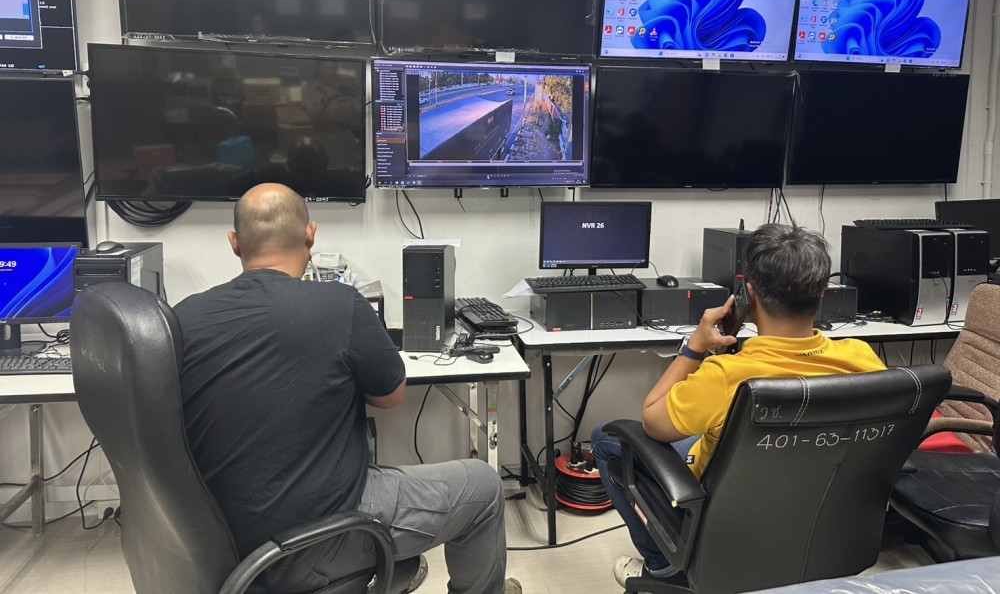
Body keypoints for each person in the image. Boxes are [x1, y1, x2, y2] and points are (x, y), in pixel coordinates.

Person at [174, 183, 520, 594]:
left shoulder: (183, 317)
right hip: (316, 539)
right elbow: (392, 397)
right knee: (483, 486)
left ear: (234, 243)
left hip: (223, 549)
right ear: (311, 235)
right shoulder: (340, 303)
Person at [591, 223, 886, 588]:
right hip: (826, 525)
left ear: (749, 293)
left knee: (607, 438)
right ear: (822, 292)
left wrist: (694, 347)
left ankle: (665, 569)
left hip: (730, 525)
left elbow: (652, 421)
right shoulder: (863, 359)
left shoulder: (726, 376)